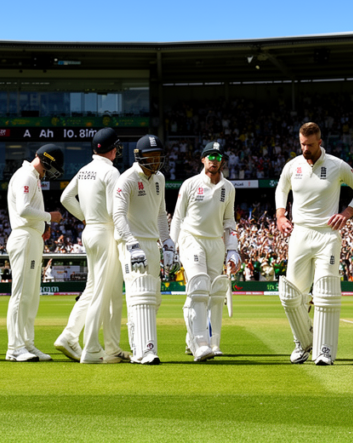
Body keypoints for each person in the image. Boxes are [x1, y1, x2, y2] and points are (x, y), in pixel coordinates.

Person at [275, 122, 353, 366]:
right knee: (291, 295)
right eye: (302, 144)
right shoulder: (292, 166)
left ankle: (324, 349)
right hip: (300, 233)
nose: (305, 149)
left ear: (320, 142)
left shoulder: (337, 165)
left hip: (327, 235)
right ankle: (303, 342)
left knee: (325, 291)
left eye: (309, 144)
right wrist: (280, 215)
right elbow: (281, 188)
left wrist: (346, 213)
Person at [57, 128, 131, 364]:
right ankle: (91, 349)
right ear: (112, 149)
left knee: (94, 289)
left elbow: (65, 198)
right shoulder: (111, 172)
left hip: (90, 232)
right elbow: (114, 210)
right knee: (101, 292)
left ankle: (70, 335)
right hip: (105, 232)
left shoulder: (84, 170)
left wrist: (84, 217)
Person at [171, 141, 241, 362]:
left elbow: (229, 220)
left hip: (215, 242)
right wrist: (171, 248)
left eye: (218, 157)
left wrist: (233, 250)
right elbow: (178, 217)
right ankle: (201, 343)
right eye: (209, 157)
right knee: (199, 286)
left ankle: (194, 337)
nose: (213, 160)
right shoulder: (190, 184)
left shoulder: (228, 188)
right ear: (202, 159)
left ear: (222, 160)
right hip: (192, 239)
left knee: (210, 294)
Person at [113, 134, 173, 365]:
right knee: (138, 295)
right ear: (139, 156)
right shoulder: (127, 179)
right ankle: (142, 350)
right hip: (132, 244)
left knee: (154, 299)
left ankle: (139, 343)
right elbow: (117, 214)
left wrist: (167, 242)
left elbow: (160, 213)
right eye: (151, 156)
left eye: (158, 155)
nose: (156, 160)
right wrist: (131, 243)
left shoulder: (160, 179)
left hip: (151, 243)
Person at [5, 144, 64, 362]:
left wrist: (43, 226)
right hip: (24, 237)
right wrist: (50, 216)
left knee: (31, 295)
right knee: (21, 294)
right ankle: (14, 347)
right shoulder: (26, 176)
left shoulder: (34, 177)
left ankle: (27, 344)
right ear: (46, 160)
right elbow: (22, 210)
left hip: (32, 237)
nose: (52, 171)